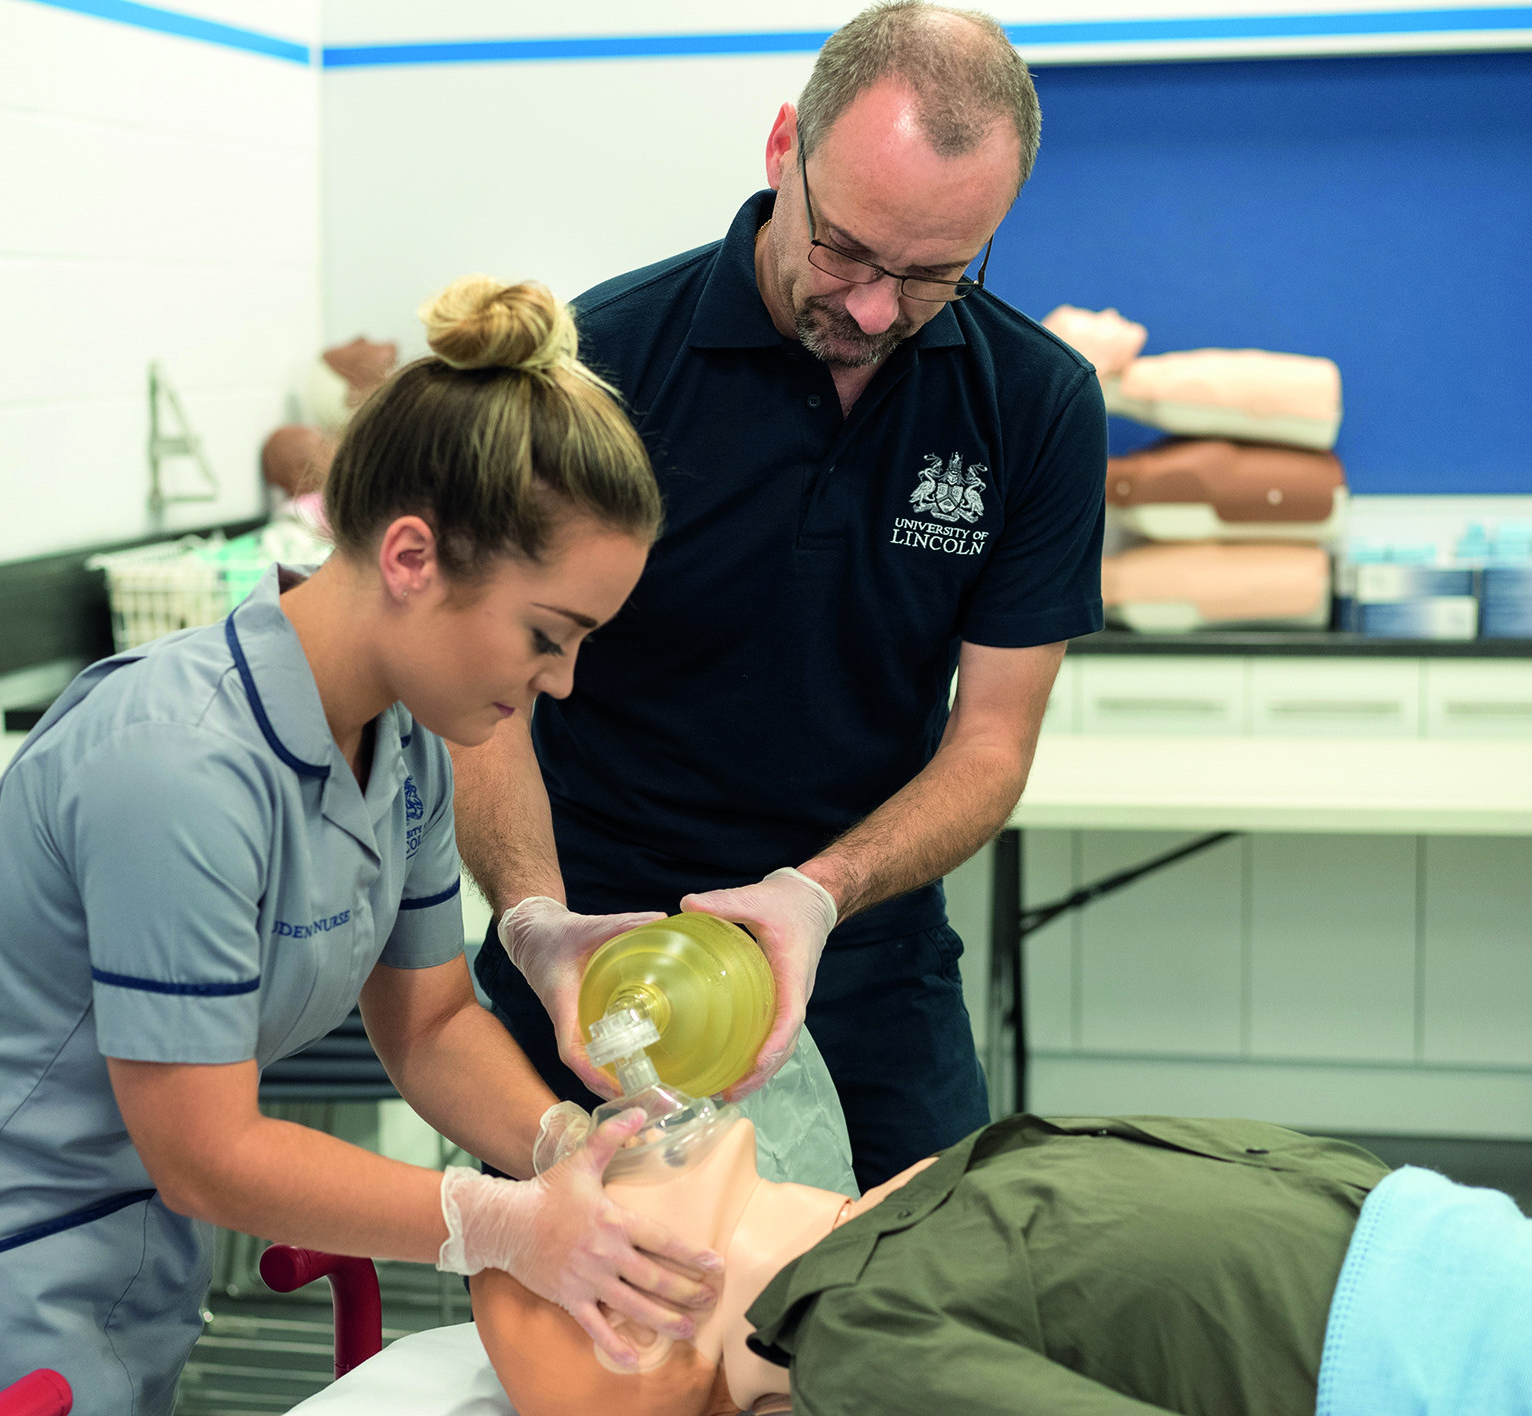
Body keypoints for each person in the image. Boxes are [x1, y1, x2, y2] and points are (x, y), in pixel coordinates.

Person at [0, 277, 726, 1416]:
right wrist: (497, 1225)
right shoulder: (176, 762)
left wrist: (567, 1144)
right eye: (545, 636)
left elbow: (429, 1024)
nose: (558, 682)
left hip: (129, 1281)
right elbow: (206, 1151)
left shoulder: (404, 744)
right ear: (411, 558)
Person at [457, 1, 1107, 1193]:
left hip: (861, 942)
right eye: (846, 251)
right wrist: (533, 920)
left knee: (913, 1314)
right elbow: (485, 703)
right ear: (779, 154)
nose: (870, 309)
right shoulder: (600, 366)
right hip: (600, 950)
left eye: (931, 276)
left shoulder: (1036, 403)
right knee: (602, 1334)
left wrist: (818, 893)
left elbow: (991, 742)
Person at [473, 1110, 1532, 1416]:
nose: (598, 1143)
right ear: (633, 1324)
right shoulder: (858, 1335)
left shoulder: (927, 1191)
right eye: (566, 1247)